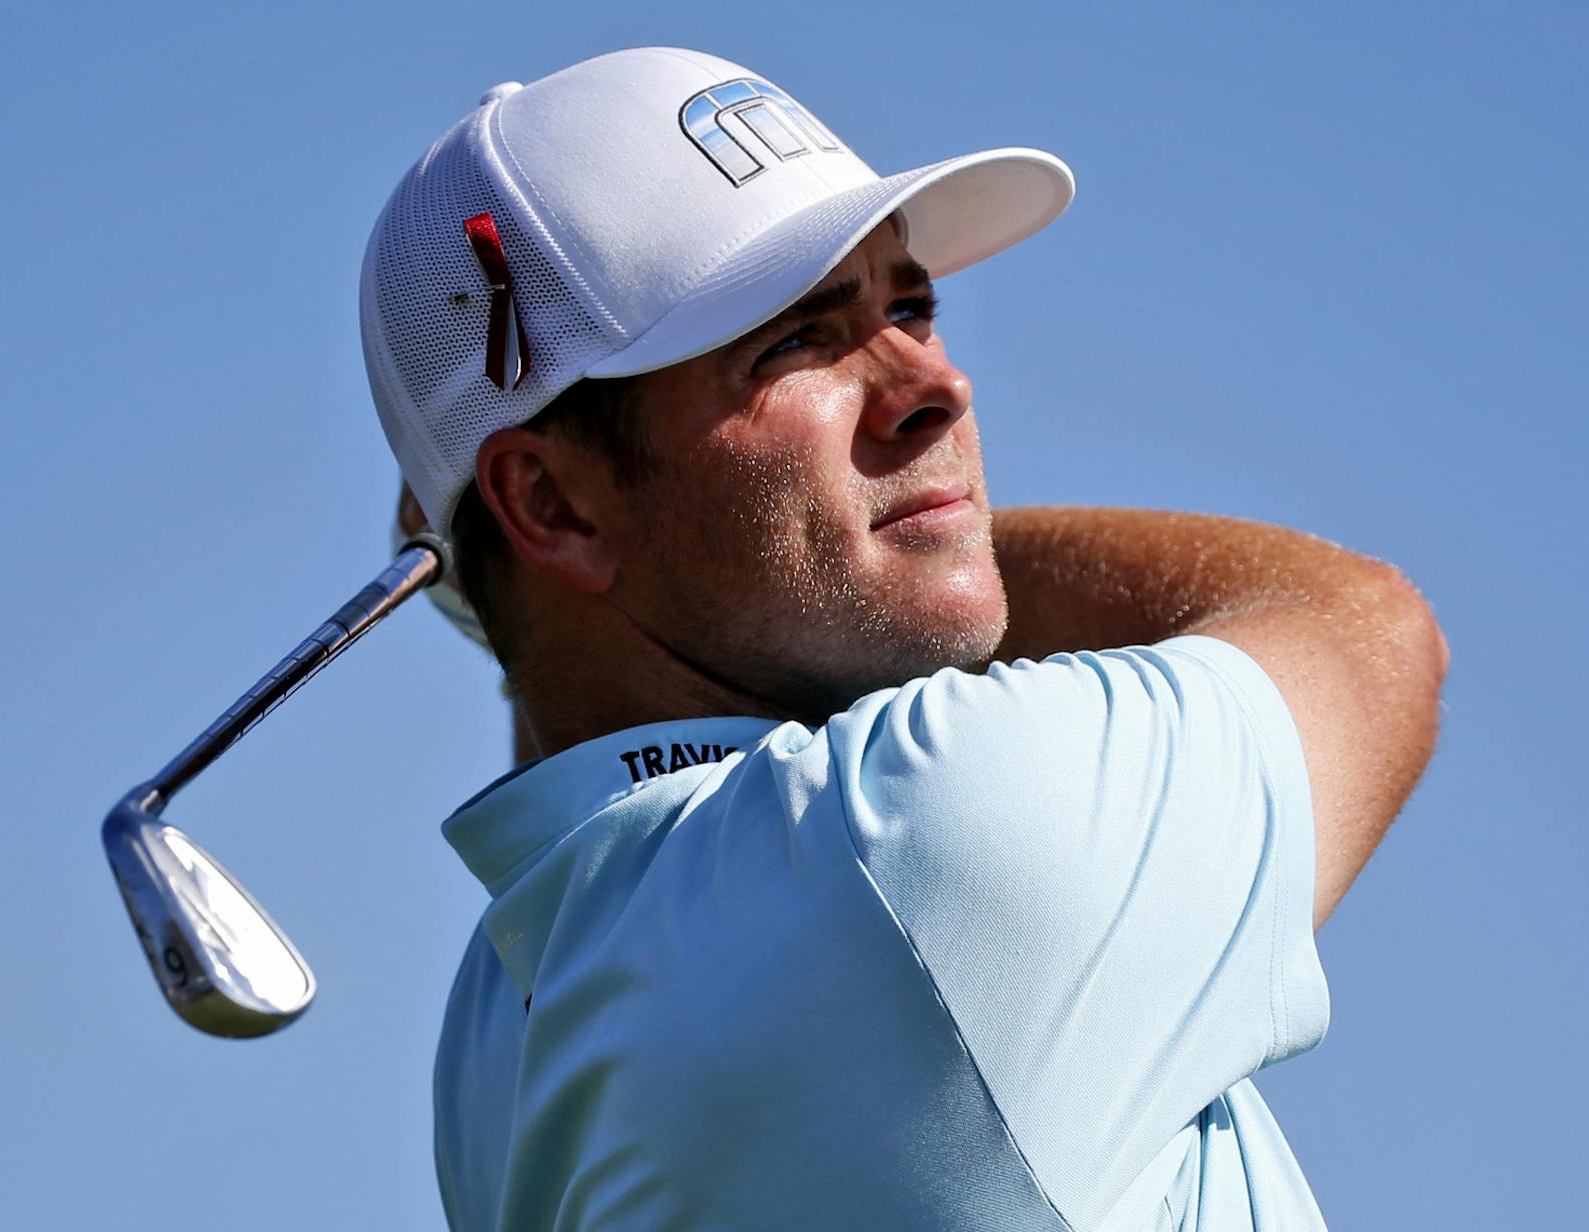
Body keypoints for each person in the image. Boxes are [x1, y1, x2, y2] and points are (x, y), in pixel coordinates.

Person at [363, 48, 1445, 1231]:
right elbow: (1365, 624)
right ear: (557, 506)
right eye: (793, 341)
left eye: (909, 304)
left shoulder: (496, 1017)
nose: (936, 383)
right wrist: (931, 541)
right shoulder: (917, 830)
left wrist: (870, 543)